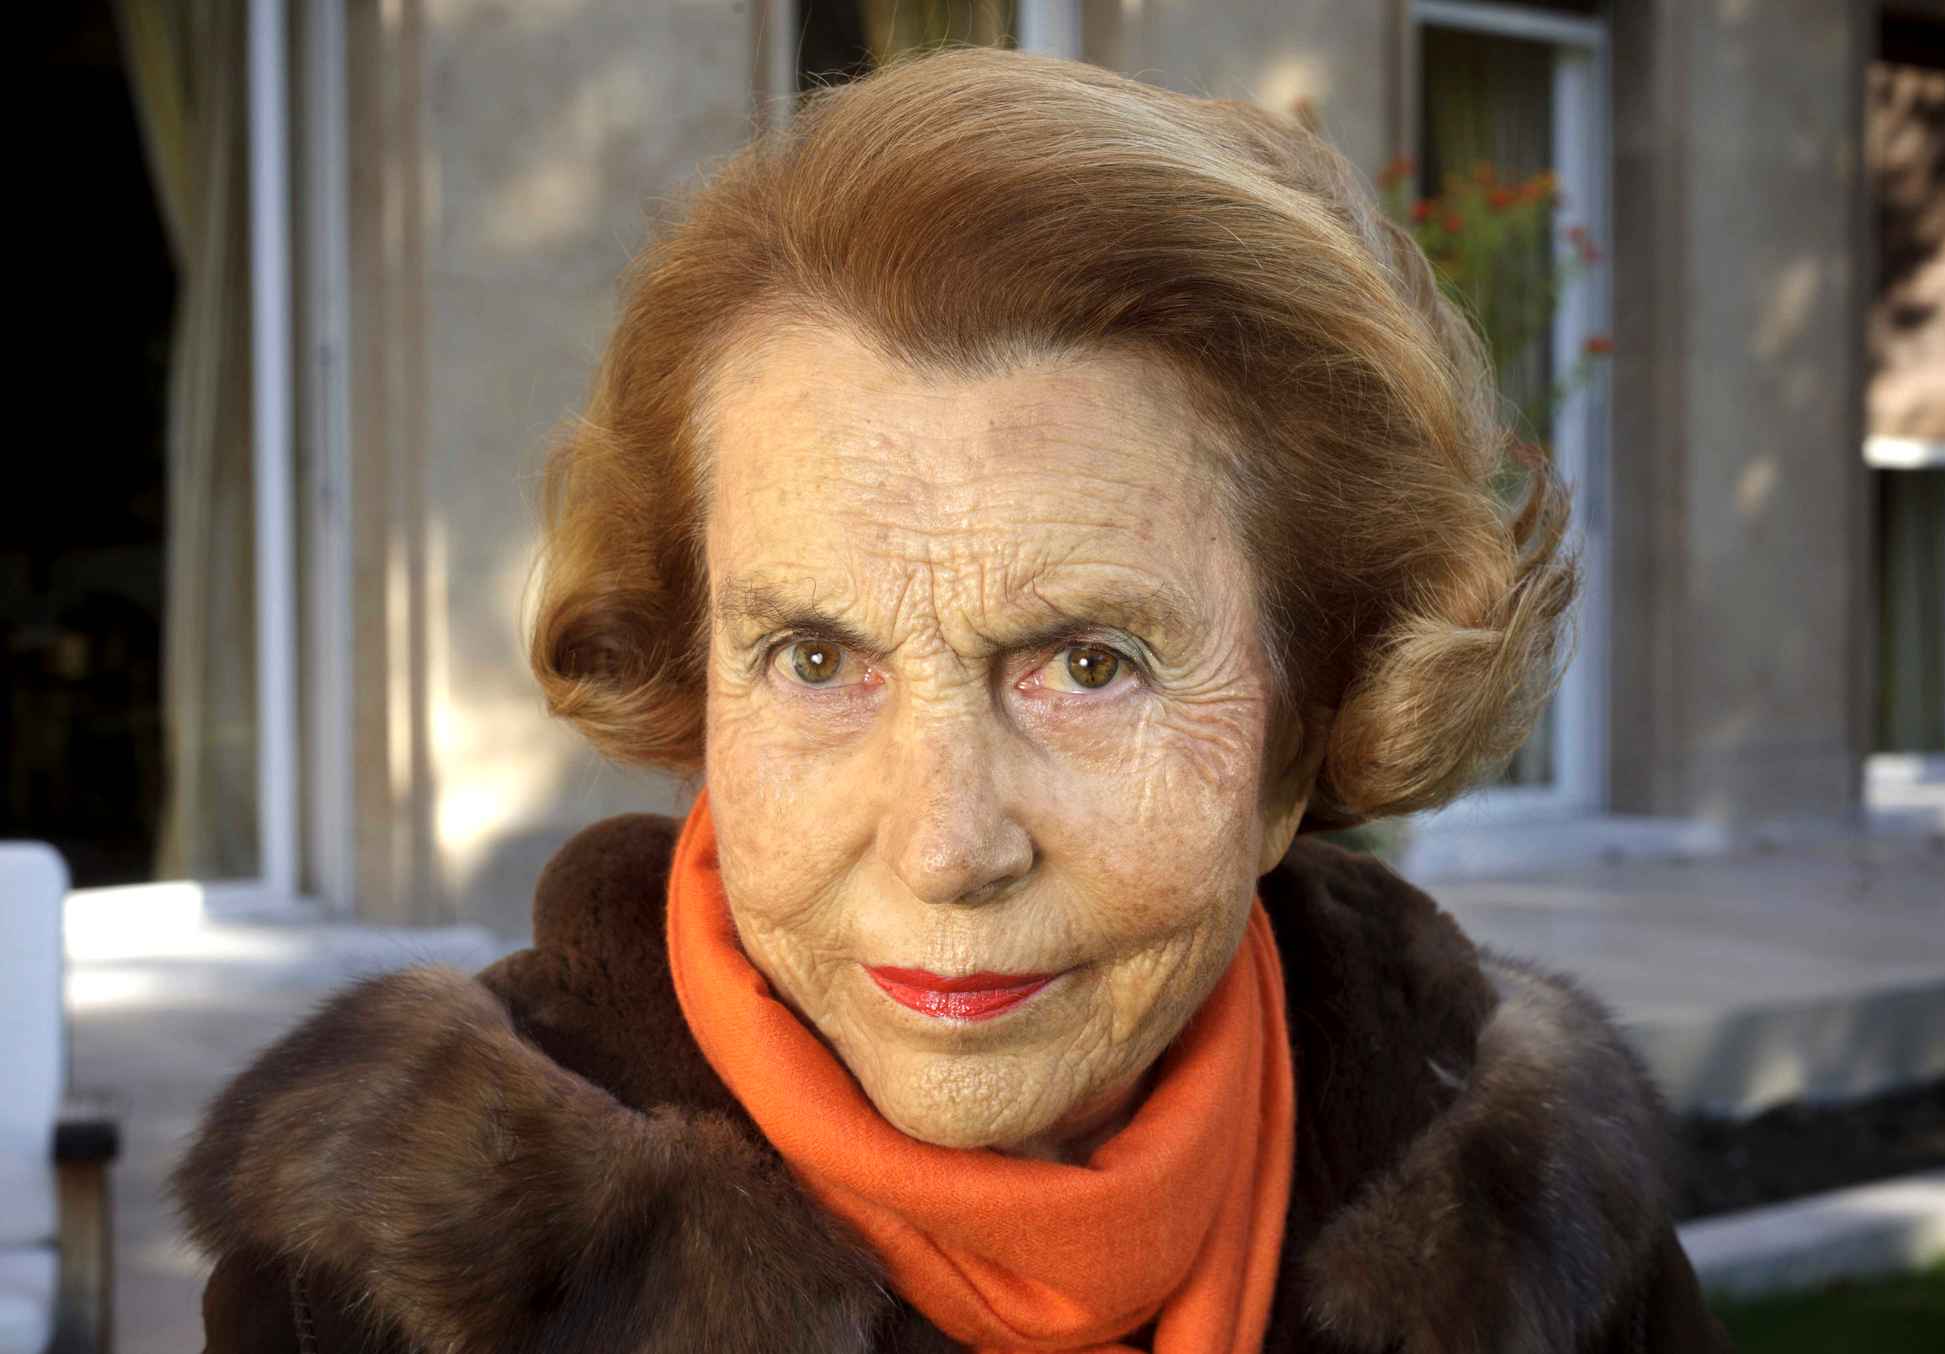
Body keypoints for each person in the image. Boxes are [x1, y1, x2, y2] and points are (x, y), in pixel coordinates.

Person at [173, 48, 1730, 1354]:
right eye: (814, 656)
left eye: (1091, 663)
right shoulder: (399, 1275)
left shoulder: (1516, 1194)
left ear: (1300, 735)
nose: (945, 844)